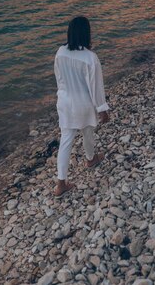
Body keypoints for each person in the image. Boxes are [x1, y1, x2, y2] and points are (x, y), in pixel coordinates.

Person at [53, 16, 110, 197]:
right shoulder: (90, 57)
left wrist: (62, 95)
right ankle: (90, 159)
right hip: (83, 102)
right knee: (87, 131)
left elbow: (59, 79)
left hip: (65, 101)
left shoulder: (60, 52)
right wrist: (102, 108)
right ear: (87, 33)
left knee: (66, 140)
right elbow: (96, 87)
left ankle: (61, 183)